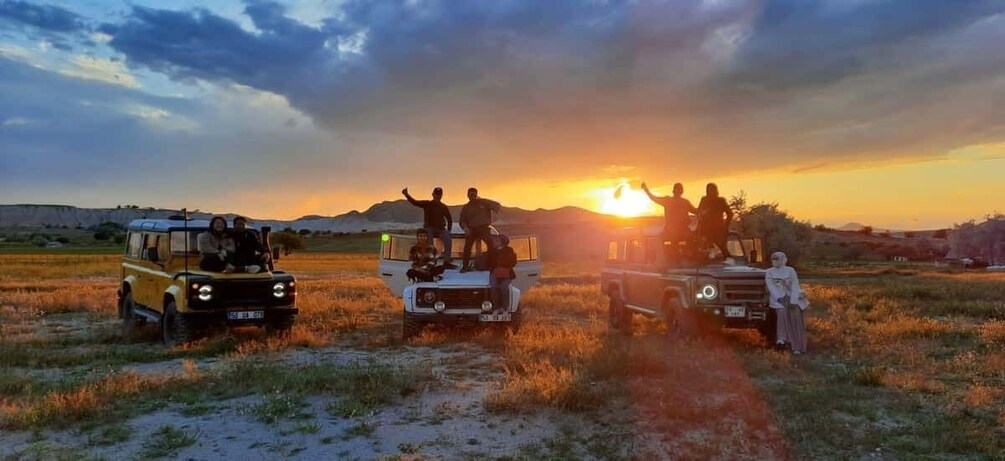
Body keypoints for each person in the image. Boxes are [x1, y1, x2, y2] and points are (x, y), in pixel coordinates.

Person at [642, 181, 698, 264]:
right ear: (673, 190)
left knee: (692, 238)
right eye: (676, 189)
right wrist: (646, 190)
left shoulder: (685, 202)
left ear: (682, 191)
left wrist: (705, 209)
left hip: (683, 230)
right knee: (674, 242)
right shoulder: (667, 200)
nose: (678, 191)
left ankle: (695, 257)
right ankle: (675, 261)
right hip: (671, 230)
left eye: (680, 190)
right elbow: (654, 198)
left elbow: (695, 211)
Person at [765, 251, 809, 354]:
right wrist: (781, 299)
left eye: (778, 259)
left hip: (792, 299)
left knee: (795, 320)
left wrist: (793, 300)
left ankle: (797, 346)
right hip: (778, 301)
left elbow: (795, 286)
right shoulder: (769, 272)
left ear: (784, 259)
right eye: (774, 259)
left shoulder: (790, 270)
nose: (776, 261)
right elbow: (771, 288)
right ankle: (782, 340)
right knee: (782, 317)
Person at [402, 187, 456, 269]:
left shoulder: (443, 207)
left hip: (440, 229)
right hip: (429, 228)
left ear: (441, 196)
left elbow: (449, 219)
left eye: (439, 195)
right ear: (433, 194)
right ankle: (431, 261)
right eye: (436, 194)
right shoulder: (427, 204)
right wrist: (407, 195)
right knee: (429, 242)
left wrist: (449, 230)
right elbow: (415, 202)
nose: (438, 196)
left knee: (448, 239)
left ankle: (446, 261)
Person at [459, 188, 501, 273]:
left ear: (477, 194)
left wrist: (494, 211)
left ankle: (492, 265)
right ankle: (465, 266)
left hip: (483, 228)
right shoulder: (466, 207)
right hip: (472, 229)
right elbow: (462, 220)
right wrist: (465, 228)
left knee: (491, 244)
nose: (473, 197)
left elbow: (497, 206)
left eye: (474, 195)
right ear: (468, 195)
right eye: (471, 195)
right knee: (467, 247)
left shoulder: (484, 202)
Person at [696, 183, 734, 259]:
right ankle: (707, 259)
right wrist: (699, 226)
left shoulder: (720, 201)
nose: (711, 192)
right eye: (709, 190)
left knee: (723, 248)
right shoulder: (704, 200)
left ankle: (729, 262)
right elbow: (699, 213)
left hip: (718, 230)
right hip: (706, 230)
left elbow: (730, 214)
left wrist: (726, 226)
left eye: (713, 190)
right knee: (704, 248)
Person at [488, 234, 517, 314]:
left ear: (502, 242)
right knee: (493, 287)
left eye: (497, 241)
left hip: (506, 273)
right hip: (495, 273)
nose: (494, 242)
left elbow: (513, 262)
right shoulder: (492, 251)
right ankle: (496, 307)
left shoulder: (509, 250)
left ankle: (505, 308)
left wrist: (501, 264)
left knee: (504, 287)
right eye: (494, 240)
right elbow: (489, 262)